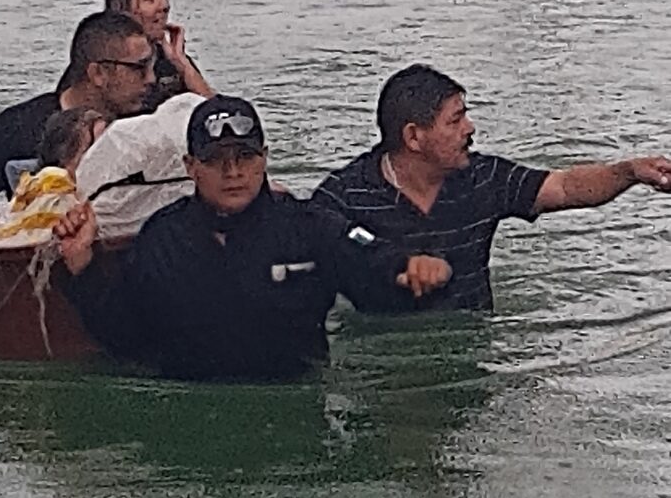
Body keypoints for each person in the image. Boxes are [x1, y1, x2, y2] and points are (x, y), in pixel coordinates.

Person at [55, 95, 444, 381]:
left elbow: (369, 260)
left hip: (292, 413)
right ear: (190, 167)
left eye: (244, 157)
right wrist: (81, 265)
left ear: (265, 158)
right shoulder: (160, 238)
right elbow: (123, 338)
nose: (233, 172)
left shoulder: (307, 227)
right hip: (191, 420)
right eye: (216, 160)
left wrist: (410, 268)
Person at [311, 64, 671, 313]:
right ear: (413, 137)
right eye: (455, 119)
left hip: (472, 343)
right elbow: (322, 232)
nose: (470, 127)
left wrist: (628, 172)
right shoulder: (348, 195)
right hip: (380, 361)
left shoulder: (484, 178)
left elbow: (563, 187)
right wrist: (395, 261)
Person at [0, 11, 155, 227]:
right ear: (98, 73)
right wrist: (10, 230)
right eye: (140, 68)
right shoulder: (17, 126)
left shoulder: (149, 123)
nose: (151, 78)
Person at [103, 0, 212, 108]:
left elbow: (216, 115)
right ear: (122, 10)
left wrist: (182, 63)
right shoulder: (103, 64)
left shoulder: (170, 60)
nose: (165, 5)